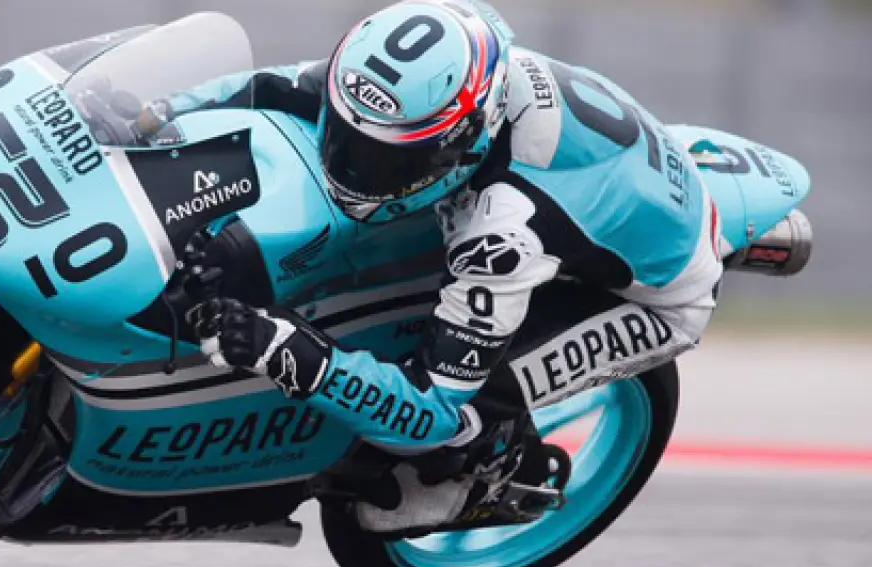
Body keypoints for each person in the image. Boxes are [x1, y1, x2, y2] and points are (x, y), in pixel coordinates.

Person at [173, 0, 726, 536]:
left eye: (386, 160)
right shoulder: (418, 84)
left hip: (650, 299)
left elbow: (431, 407)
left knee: (454, 421)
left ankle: (485, 470)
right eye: (347, 139)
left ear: (465, 141)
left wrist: (285, 350)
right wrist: (151, 115)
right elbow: (267, 86)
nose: (351, 167)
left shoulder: (503, 232)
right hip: (592, 191)